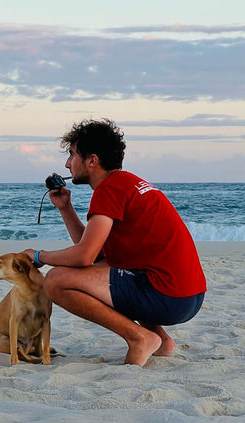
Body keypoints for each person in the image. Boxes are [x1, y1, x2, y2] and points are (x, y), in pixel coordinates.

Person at [25, 118, 206, 367]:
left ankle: (139, 337)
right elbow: (93, 252)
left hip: (168, 296)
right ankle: (161, 341)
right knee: (100, 266)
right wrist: (65, 208)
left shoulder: (108, 190)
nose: (67, 164)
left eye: (72, 155)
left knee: (56, 281)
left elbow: (83, 257)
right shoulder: (126, 183)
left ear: (92, 160)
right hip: (187, 295)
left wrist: (38, 256)